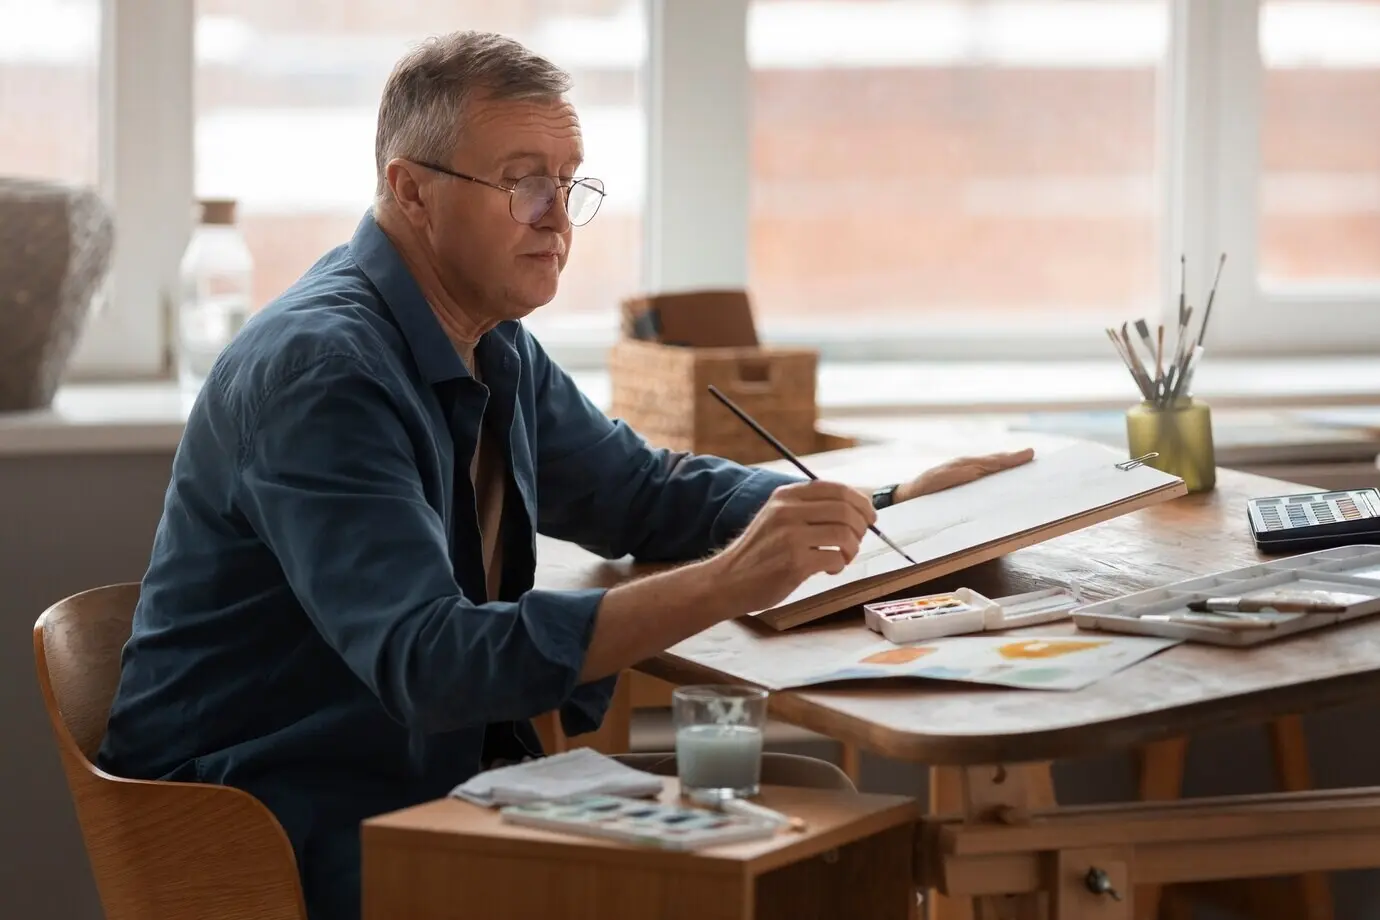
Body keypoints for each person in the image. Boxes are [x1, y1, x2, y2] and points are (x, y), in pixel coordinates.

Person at [97, 30, 1033, 920]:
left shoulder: (489, 338)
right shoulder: (324, 374)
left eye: (569, 182)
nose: (556, 216)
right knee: (803, 843)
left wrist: (877, 504)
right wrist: (728, 582)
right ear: (411, 191)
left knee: (819, 811)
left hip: (427, 781)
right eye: (522, 183)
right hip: (281, 820)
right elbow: (430, 661)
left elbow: (643, 494)